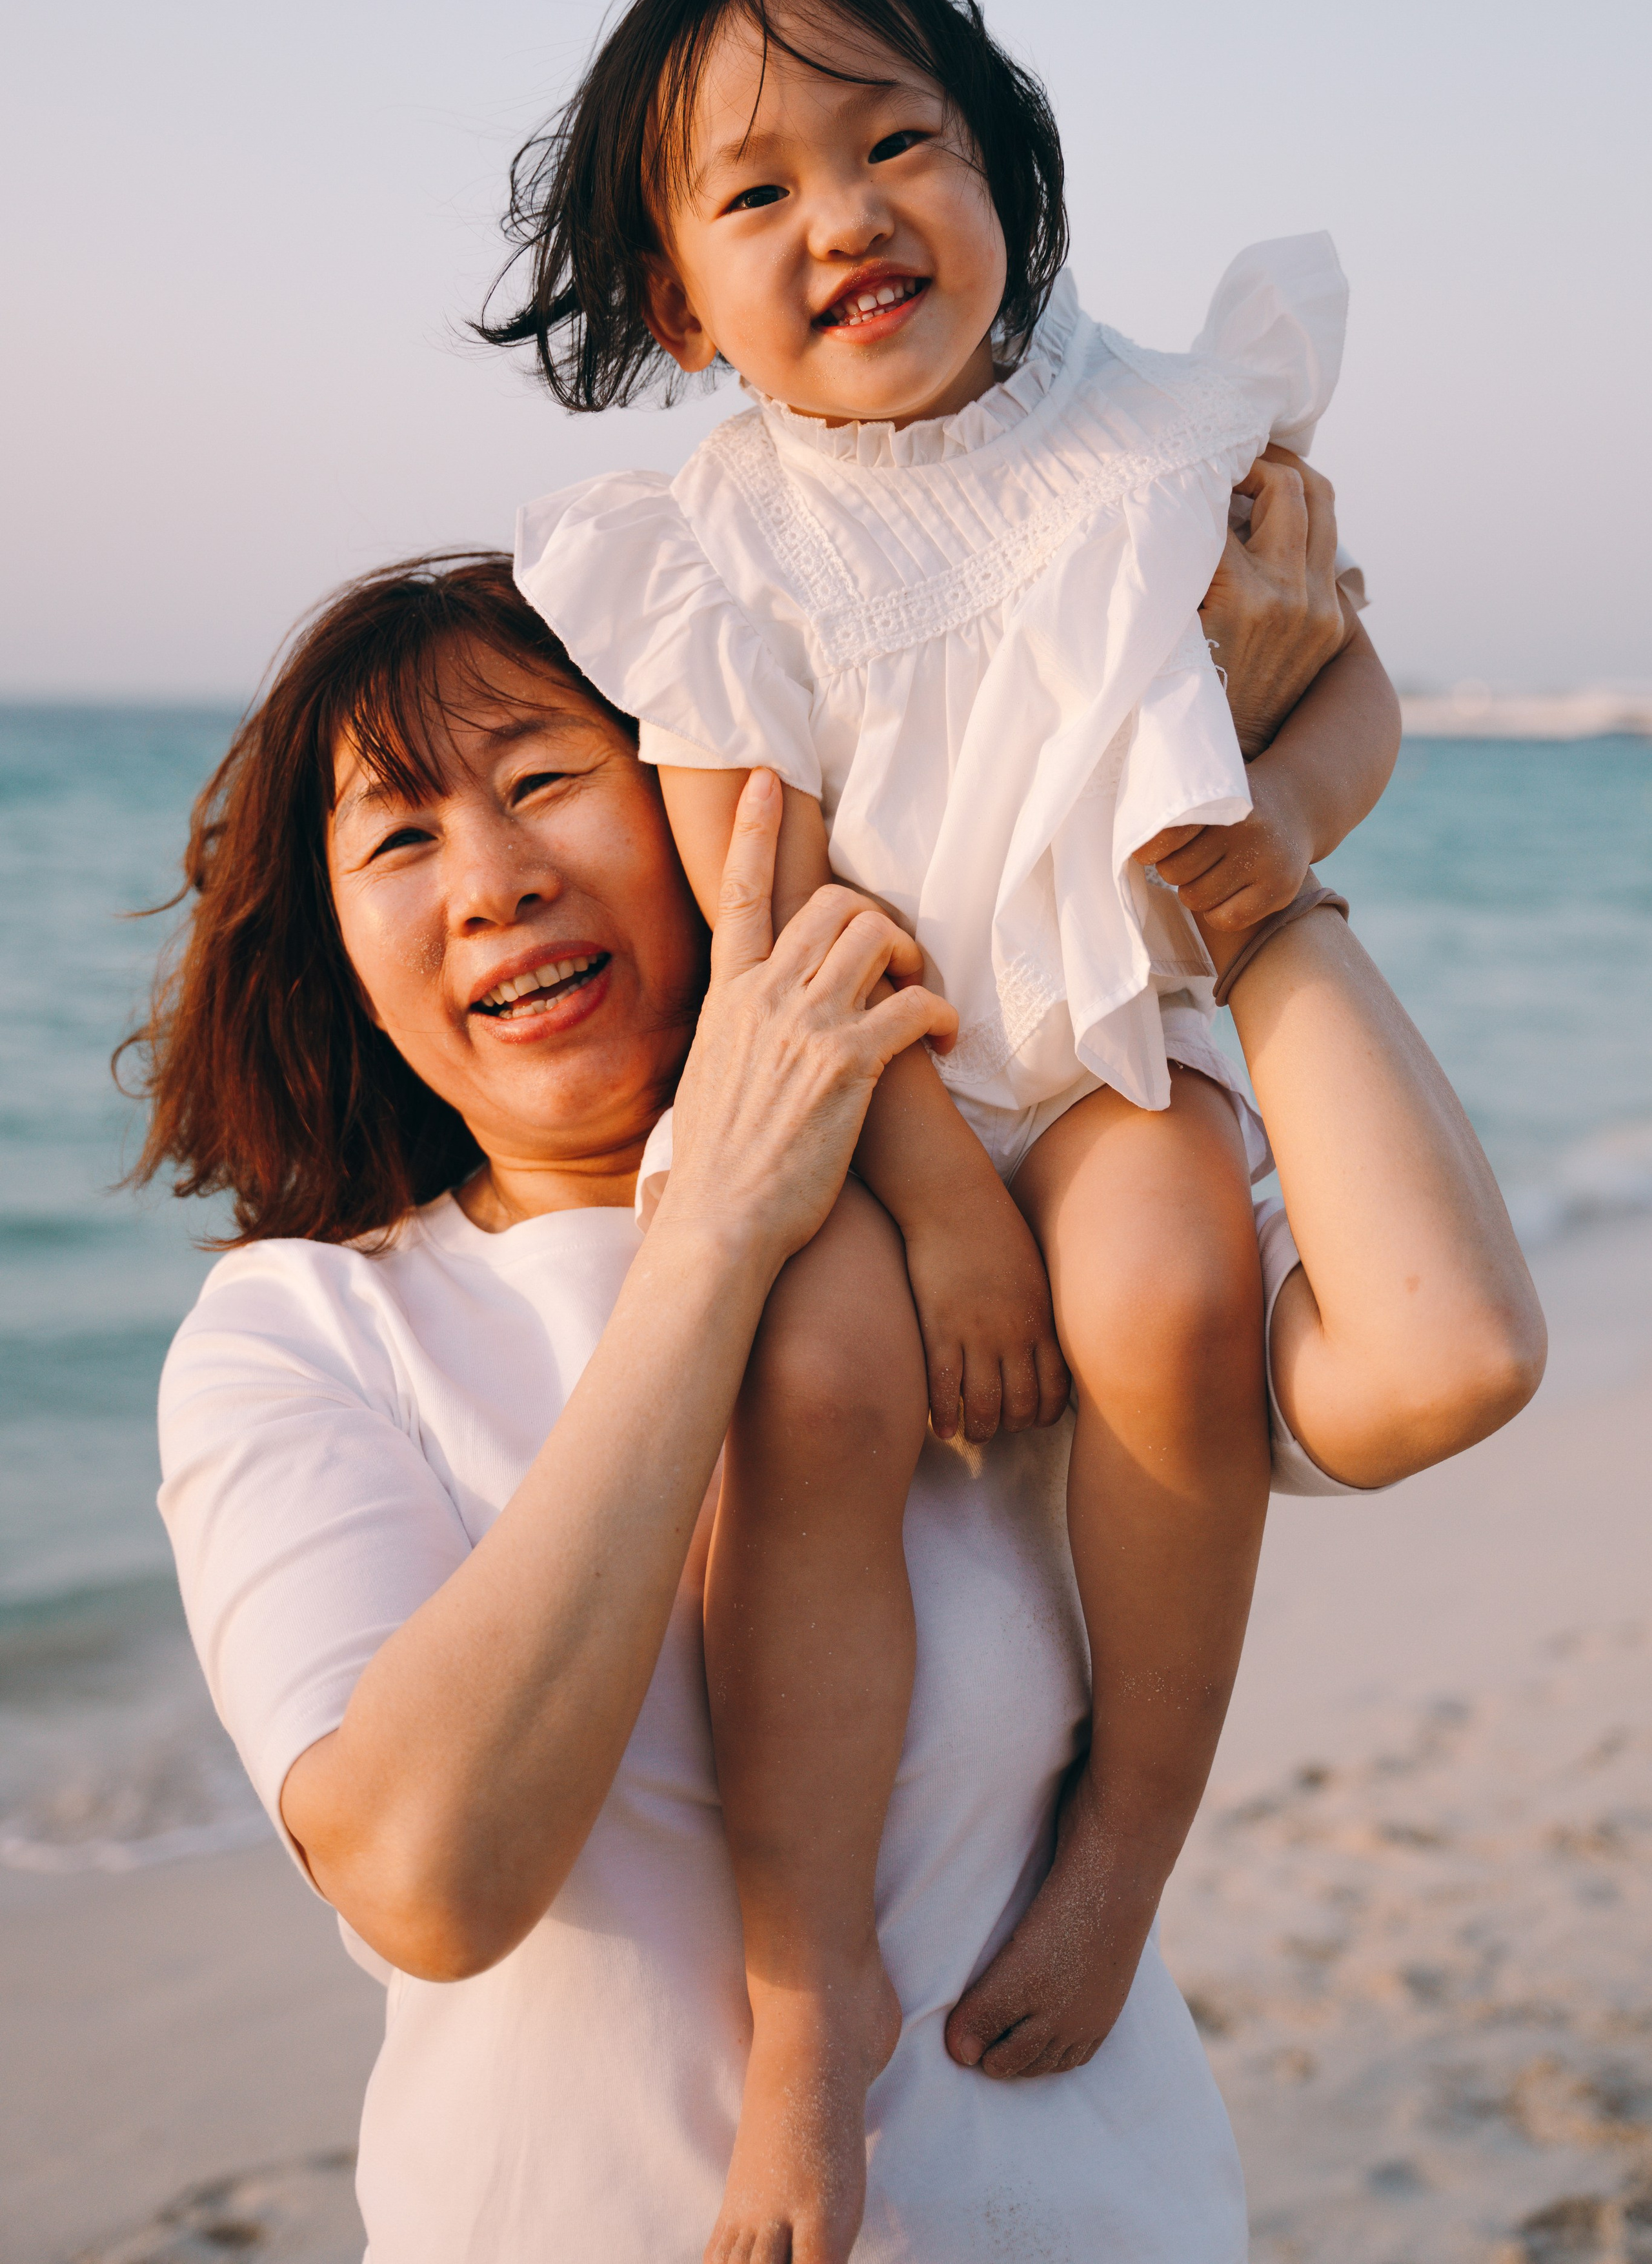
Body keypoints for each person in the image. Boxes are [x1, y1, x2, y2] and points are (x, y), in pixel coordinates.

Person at [139, 553, 1542, 2264]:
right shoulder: (307, 1334)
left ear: (711, 812)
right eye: (402, 839)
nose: (496, 882)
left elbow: (1448, 1349)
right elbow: (431, 1876)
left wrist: (1251, 875)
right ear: (340, 953)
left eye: (543, 784)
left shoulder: (994, 1249)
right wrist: (716, 1227)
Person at [481, 0, 1404, 2258]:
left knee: (1186, 1289)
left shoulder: (1170, 429)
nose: (848, 215)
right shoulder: (711, 553)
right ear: (684, 306)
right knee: (814, 1385)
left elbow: (1351, 694)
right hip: (858, 1087)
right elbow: (765, 908)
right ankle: (812, 2010)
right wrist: (941, 1206)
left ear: (1009, 172)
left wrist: (1282, 836)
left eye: (899, 142)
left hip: (1110, 1031)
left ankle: (1129, 1837)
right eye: (757, 194)